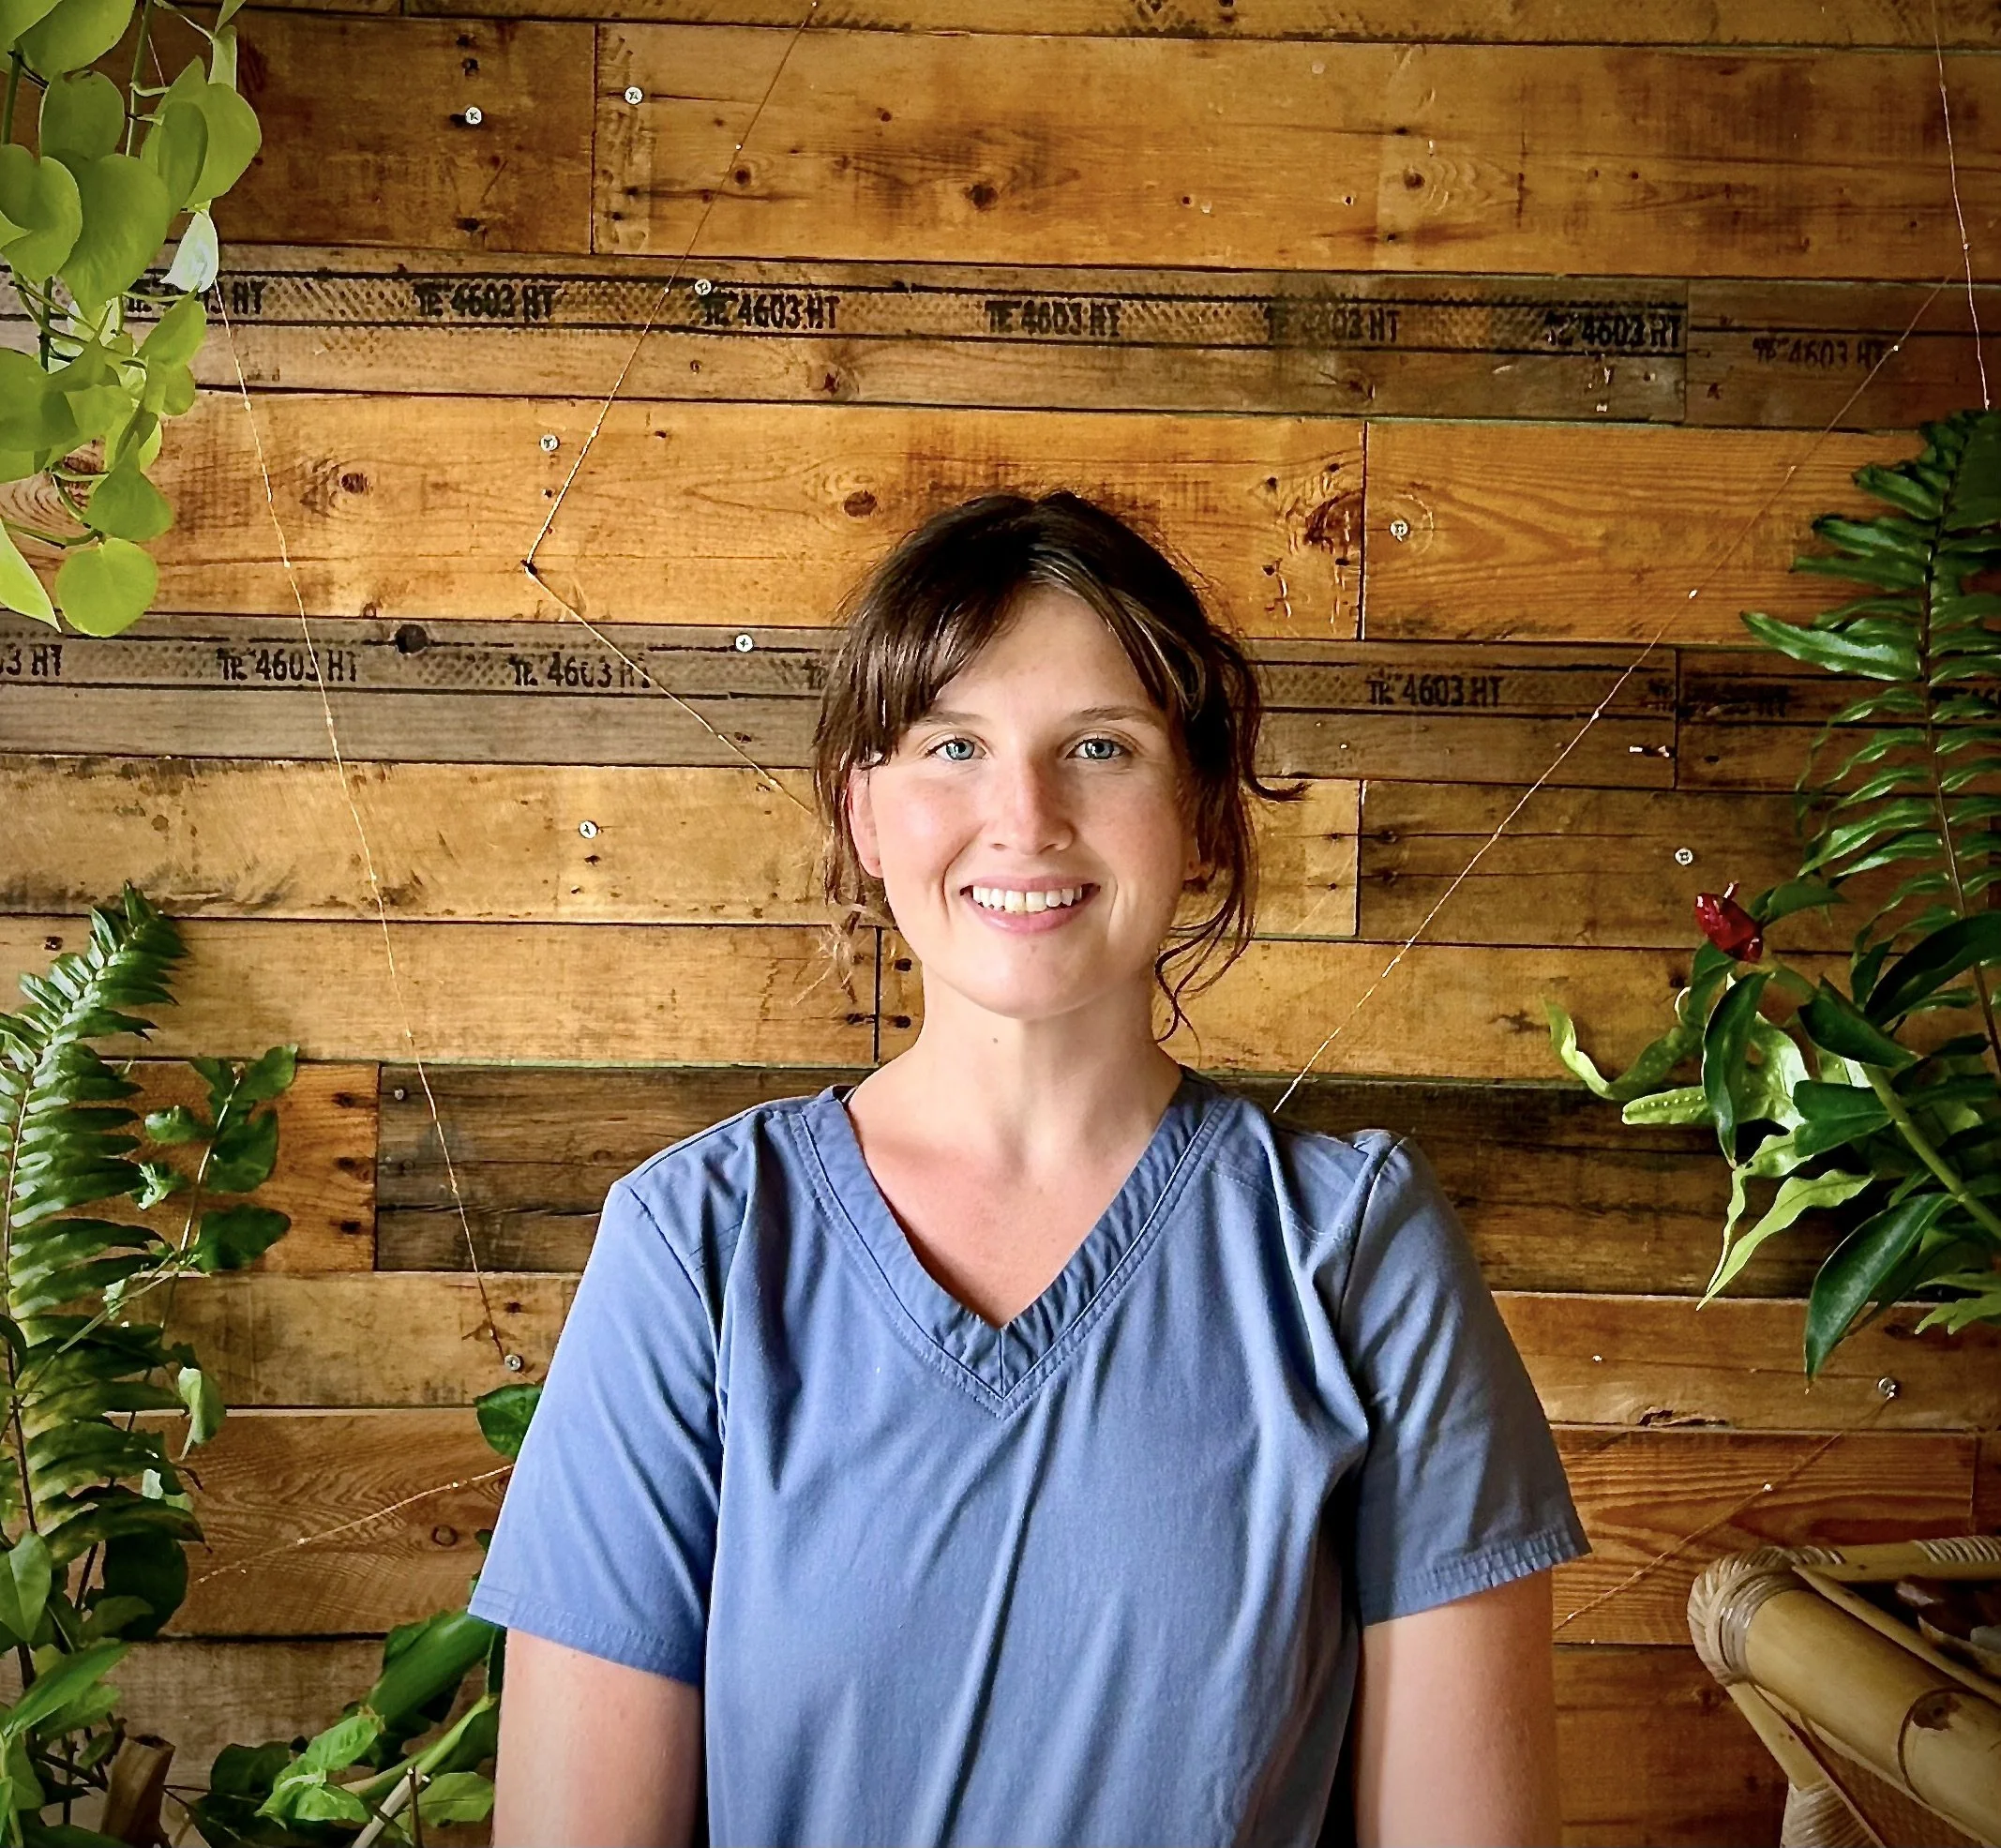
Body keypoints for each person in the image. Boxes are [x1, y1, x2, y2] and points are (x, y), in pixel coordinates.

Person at [468, 490, 1591, 1847]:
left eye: (1100, 747)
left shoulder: (1353, 1249)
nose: (1024, 815)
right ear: (865, 813)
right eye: (952, 744)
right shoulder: (695, 1245)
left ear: (1202, 815)